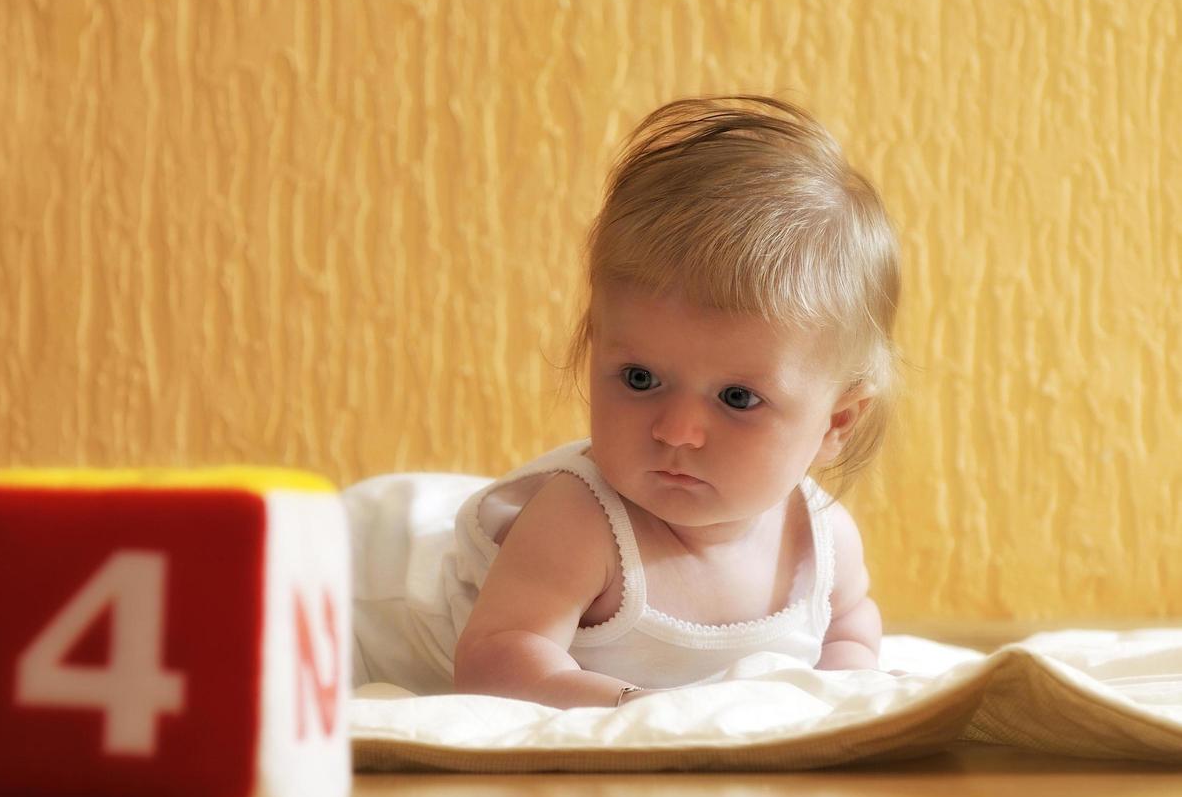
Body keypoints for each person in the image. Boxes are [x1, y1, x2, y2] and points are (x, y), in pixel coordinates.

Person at [346, 95, 901, 708]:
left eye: (738, 398)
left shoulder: (821, 541)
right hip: (359, 578)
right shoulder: (580, 524)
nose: (678, 430)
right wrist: (632, 709)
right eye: (640, 379)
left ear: (837, 422)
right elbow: (493, 664)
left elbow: (850, 628)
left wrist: (844, 697)